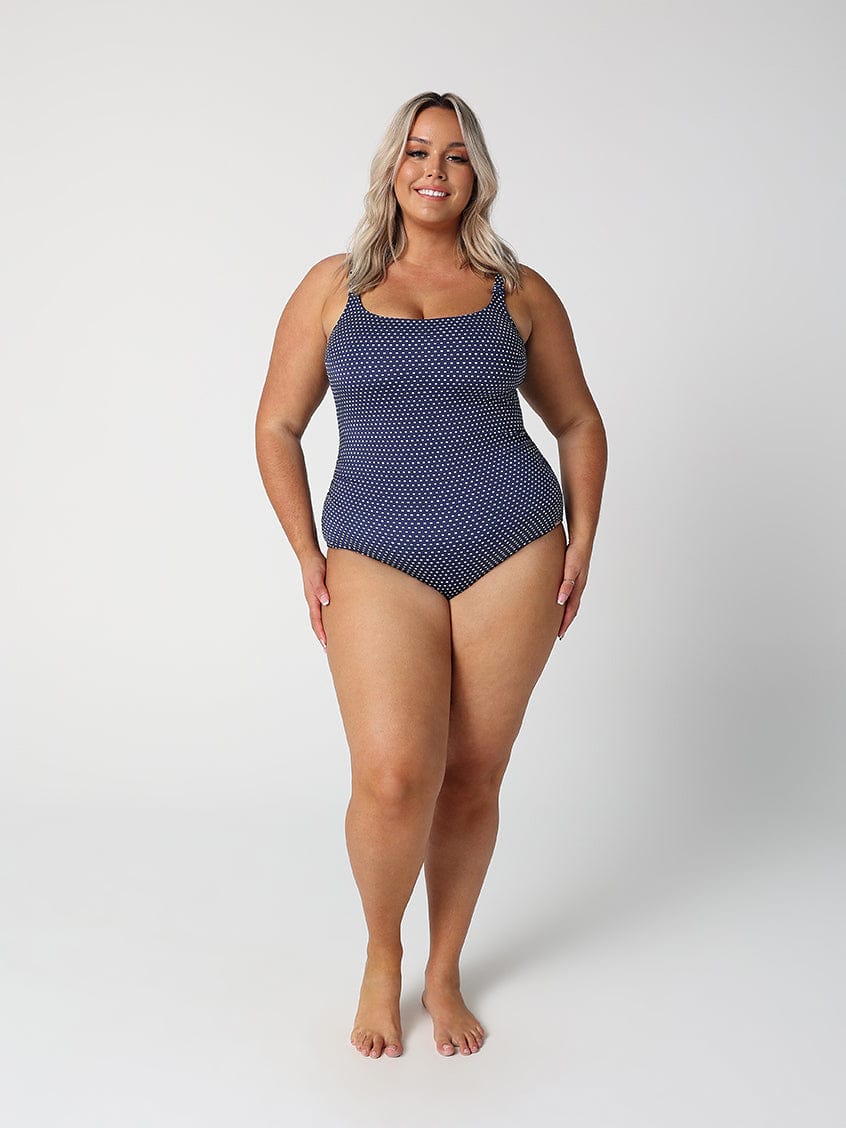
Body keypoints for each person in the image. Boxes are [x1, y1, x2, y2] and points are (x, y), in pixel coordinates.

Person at [254, 91, 607, 1060]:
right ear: (392, 167)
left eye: (455, 155)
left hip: (512, 544)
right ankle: (383, 952)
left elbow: (577, 418)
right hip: (377, 549)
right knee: (394, 776)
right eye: (418, 151)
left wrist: (583, 539)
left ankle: (444, 971)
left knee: (473, 777)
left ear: (477, 173)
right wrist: (305, 553)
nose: (435, 170)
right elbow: (277, 425)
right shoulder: (335, 286)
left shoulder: (517, 290)